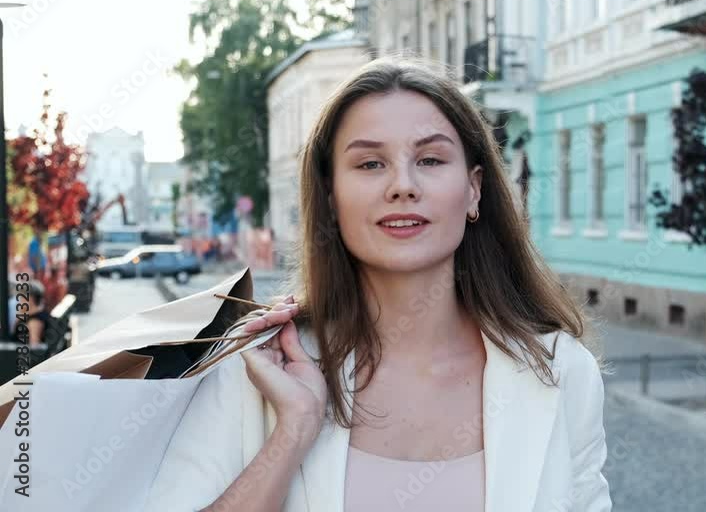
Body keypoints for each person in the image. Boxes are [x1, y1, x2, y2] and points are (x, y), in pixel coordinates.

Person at [148, 57, 612, 512]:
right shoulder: (257, 366)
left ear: (474, 189)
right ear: (331, 198)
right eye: (370, 164)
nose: (402, 186)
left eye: (430, 159)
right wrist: (293, 431)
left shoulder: (559, 371)